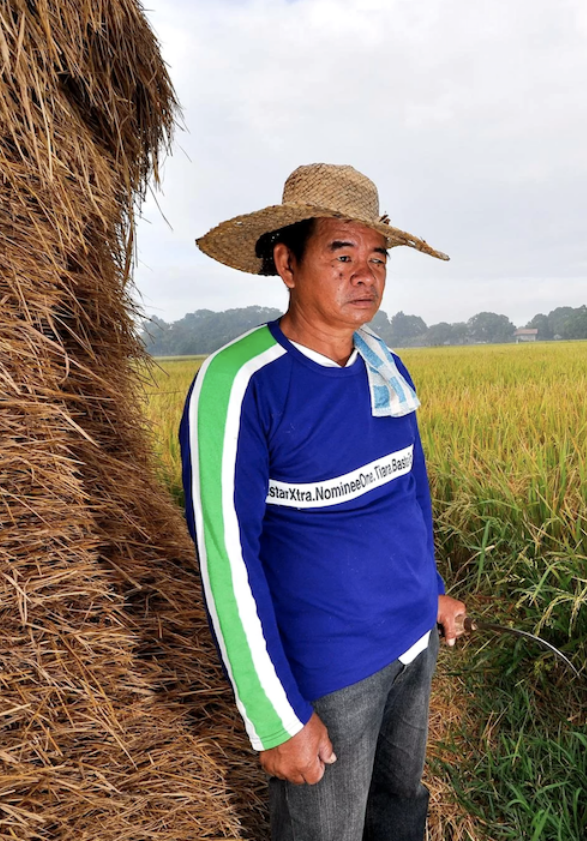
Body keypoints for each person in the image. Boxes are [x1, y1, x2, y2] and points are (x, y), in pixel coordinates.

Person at [179, 163, 466, 841]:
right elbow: (227, 559)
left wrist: (432, 591)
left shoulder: (385, 365)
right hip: (329, 673)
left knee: (400, 806)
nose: (365, 274)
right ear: (286, 261)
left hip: (411, 647)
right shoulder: (239, 382)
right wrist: (275, 715)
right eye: (342, 255)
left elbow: (410, 495)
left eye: (377, 257)